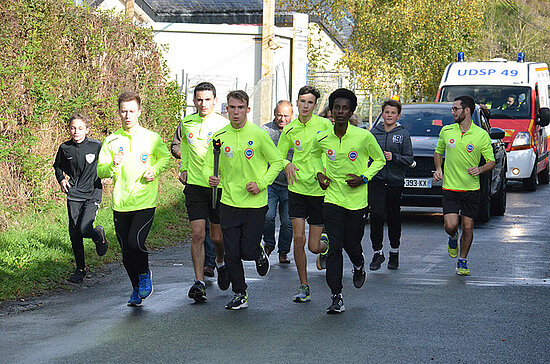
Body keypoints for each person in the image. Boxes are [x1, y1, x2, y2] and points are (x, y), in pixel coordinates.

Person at [203, 90, 284, 310]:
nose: (236, 112)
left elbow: (277, 162)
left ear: (247, 109)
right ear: (226, 109)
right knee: (231, 253)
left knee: (246, 250)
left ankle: (257, 252)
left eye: (240, 108)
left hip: (254, 204)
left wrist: (261, 183)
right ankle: (240, 293)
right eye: (232, 107)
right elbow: (207, 166)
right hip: (229, 202)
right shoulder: (219, 137)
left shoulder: (258, 135)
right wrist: (209, 177)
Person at [313, 88, 385, 313]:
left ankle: (358, 263)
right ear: (331, 111)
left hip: (357, 202)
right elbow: (315, 156)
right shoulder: (323, 137)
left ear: (351, 111)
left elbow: (379, 160)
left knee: (350, 244)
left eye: (345, 108)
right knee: (334, 247)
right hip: (332, 199)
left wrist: (363, 178)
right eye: (337, 108)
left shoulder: (363, 136)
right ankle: (336, 296)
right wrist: (319, 174)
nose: (341, 112)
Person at [97, 91, 171, 306]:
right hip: (121, 202)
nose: (127, 115)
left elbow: (165, 157)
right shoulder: (111, 140)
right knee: (126, 252)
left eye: (131, 111)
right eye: (124, 111)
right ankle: (135, 289)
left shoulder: (151, 138)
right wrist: (112, 165)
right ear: (119, 112)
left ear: (139, 111)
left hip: (145, 200)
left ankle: (145, 274)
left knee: (135, 243)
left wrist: (154, 170)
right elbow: (101, 171)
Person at [171, 82, 229, 299]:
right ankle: (198, 282)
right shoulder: (187, 122)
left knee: (217, 237)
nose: (203, 104)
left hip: (217, 186)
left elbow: (230, 155)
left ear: (215, 100)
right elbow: (184, 147)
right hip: (195, 186)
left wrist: (223, 175)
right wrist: (184, 168)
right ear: (194, 101)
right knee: (197, 234)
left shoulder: (224, 125)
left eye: (207, 99)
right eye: (199, 99)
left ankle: (221, 262)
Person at [277, 85, 332, 303]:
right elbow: (277, 155)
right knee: (298, 238)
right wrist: (286, 164)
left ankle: (324, 247)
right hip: (297, 189)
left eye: (310, 102)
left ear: (315, 105)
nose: (306, 105)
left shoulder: (325, 125)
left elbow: (332, 151)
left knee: (313, 246)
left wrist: (325, 172)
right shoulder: (290, 130)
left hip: (319, 190)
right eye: (302, 101)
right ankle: (304, 285)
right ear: (297, 103)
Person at [433, 96, 495, 276]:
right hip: (450, 187)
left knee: (468, 227)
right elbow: (438, 152)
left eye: (455, 109)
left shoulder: (481, 135)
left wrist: (480, 169)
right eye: (452, 109)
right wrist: (438, 169)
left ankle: (462, 260)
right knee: (451, 225)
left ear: (467, 110)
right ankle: (453, 237)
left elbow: (491, 161)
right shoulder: (446, 131)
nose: (452, 112)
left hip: (471, 189)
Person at [53, 114, 108, 283]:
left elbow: (107, 163)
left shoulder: (96, 145)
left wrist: (108, 174)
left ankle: (98, 234)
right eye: (73, 128)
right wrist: (61, 179)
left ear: (87, 129)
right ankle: (80, 269)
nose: (76, 131)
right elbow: (57, 166)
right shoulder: (65, 148)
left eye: (80, 128)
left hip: (93, 193)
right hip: (74, 194)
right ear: (69, 129)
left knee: (85, 228)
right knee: (75, 232)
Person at [368, 99, 413, 270]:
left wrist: (394, 157)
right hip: (377, 180)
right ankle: (377, 252)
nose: (389, 115)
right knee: (377, 215)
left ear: (398, 115)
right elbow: (366, 154)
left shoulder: (403, 134)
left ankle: (394, 252)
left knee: (393, 217)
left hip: (394, 181)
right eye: (386, 112)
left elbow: (409, 159)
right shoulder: (374, 133)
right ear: (382, 114)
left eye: (393, 113)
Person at [261, 100, 294, 264]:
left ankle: (284, 252)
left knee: (288, 222)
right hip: (271, 183)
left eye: (286, 116)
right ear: (274, 113)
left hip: (291, 184)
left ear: (292, 115)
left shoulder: (296, 131)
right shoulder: (265, 130)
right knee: (268, 216)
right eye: (279, 115)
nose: (282, 119)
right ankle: (269, 244)